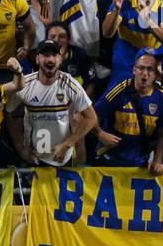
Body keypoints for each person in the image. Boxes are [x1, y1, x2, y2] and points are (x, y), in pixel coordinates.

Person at [6, 38, 98, 166]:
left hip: (64, 157)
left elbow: (92, 118)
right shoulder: (24, 85)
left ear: (60, 60)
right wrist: (20, 148)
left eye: (54, 55)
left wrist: (68, 143)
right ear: (37, 59)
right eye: (45, 55)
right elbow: (7, 112)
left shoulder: (69, 84)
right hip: (35, 158)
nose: (50, 59)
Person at [93, 49, 163, 175]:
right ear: (134, 70)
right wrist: (101, 134)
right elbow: (91, 115)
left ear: (156, 73)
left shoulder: (162, 97)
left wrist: (157, 160)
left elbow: (161, 133)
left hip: (139, 165)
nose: (145, 73)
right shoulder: (119, 90)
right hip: (110, 162)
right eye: (141, 68)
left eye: (150, 69)